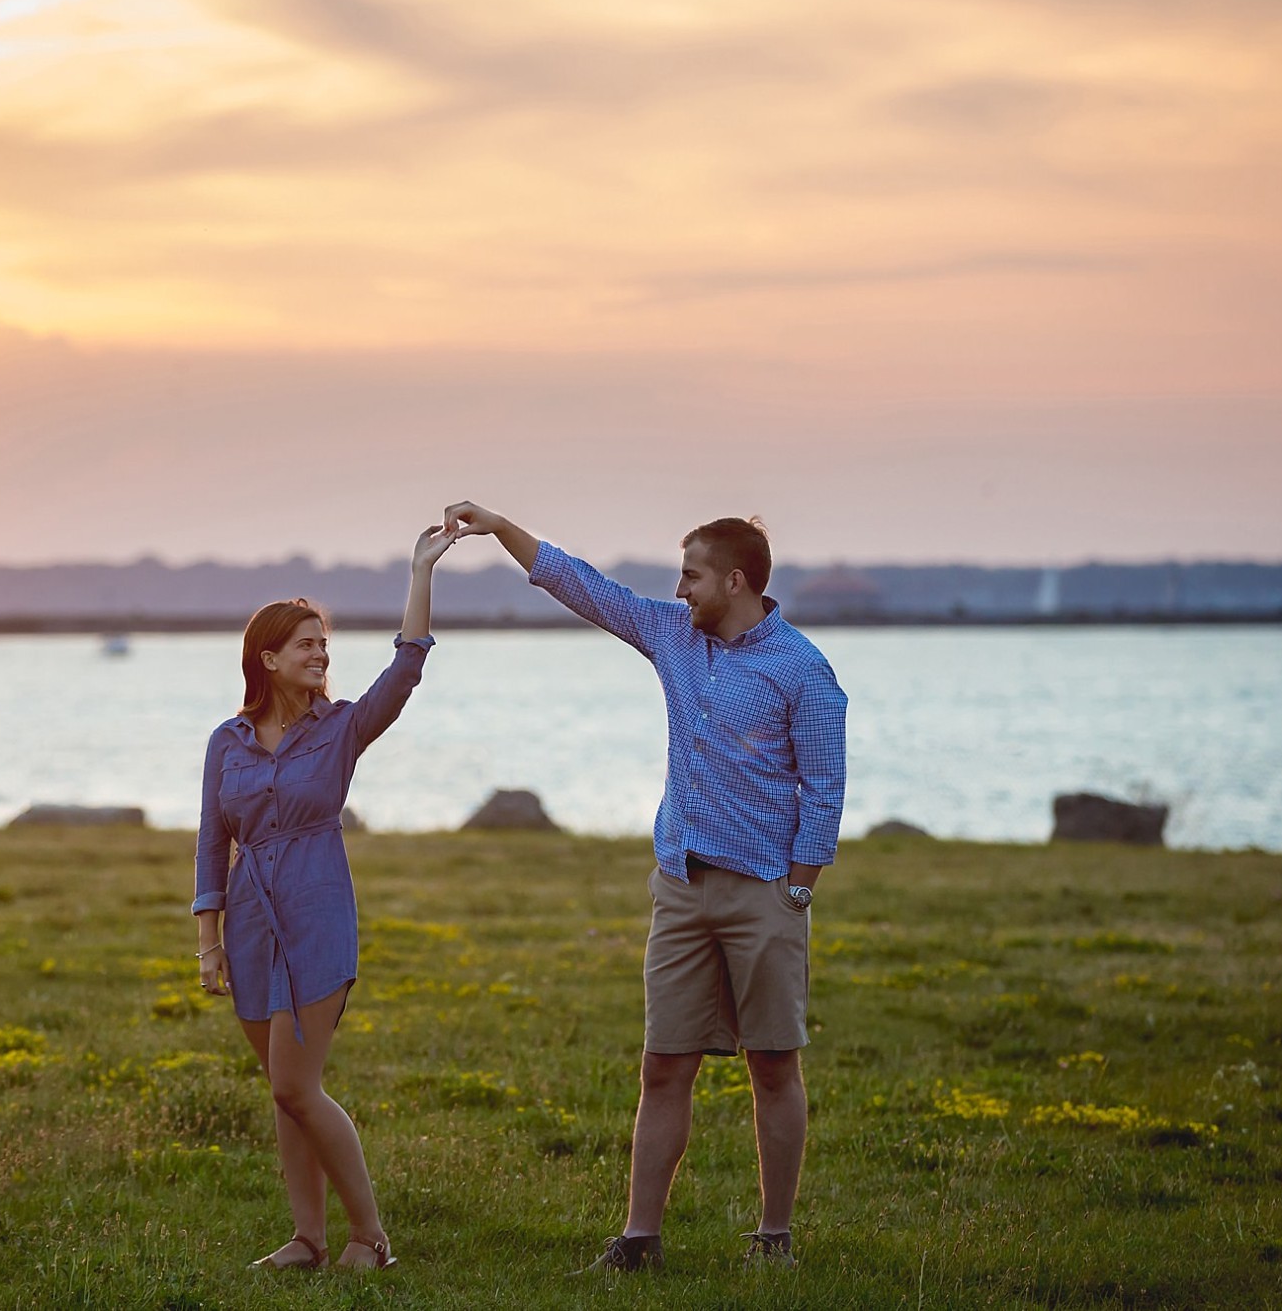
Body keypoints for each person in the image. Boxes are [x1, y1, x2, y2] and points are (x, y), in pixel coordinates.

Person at [442, 502, 847, 1273]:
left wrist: (798, 891)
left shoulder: (802, 668)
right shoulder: (671, 635)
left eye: (691, 574)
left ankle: (774, 1238)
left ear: (735, 579)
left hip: (764, 891)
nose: (680, 587)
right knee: (664, 1062)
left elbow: (825, 790)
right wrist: (499, 526)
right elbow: (584, 585)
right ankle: (639, 1241)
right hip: (681, 888)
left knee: (772, 1063)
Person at [192, 523, 455, 1271]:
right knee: (284, 1093)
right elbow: (213, 839)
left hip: (317, 916)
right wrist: (206, 939)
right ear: (267, 657)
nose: (320, 653)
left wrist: (420, 574)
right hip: (247, 924)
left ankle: (369, 1235)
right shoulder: (228, 740)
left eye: (323, 644)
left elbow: (403, 673)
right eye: (305, 643)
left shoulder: (340, 729)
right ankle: (308, 1238)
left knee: (295, 1084)